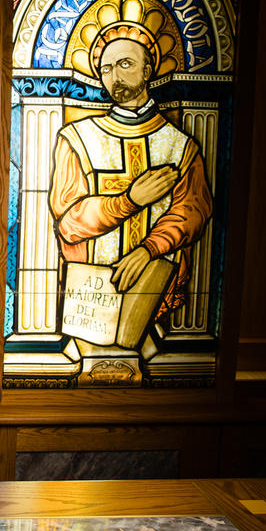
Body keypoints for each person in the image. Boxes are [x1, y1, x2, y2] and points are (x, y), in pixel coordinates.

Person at [49, 30, 213, 318]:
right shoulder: (77, 138)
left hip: (158, 290)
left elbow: (193, 212)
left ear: (148, 70)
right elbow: (69, 223)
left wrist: (148, 249)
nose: (115, 76)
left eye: (125, 64)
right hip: (91, 297)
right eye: (106, 69)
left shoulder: (181, 145)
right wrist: (128, 201)